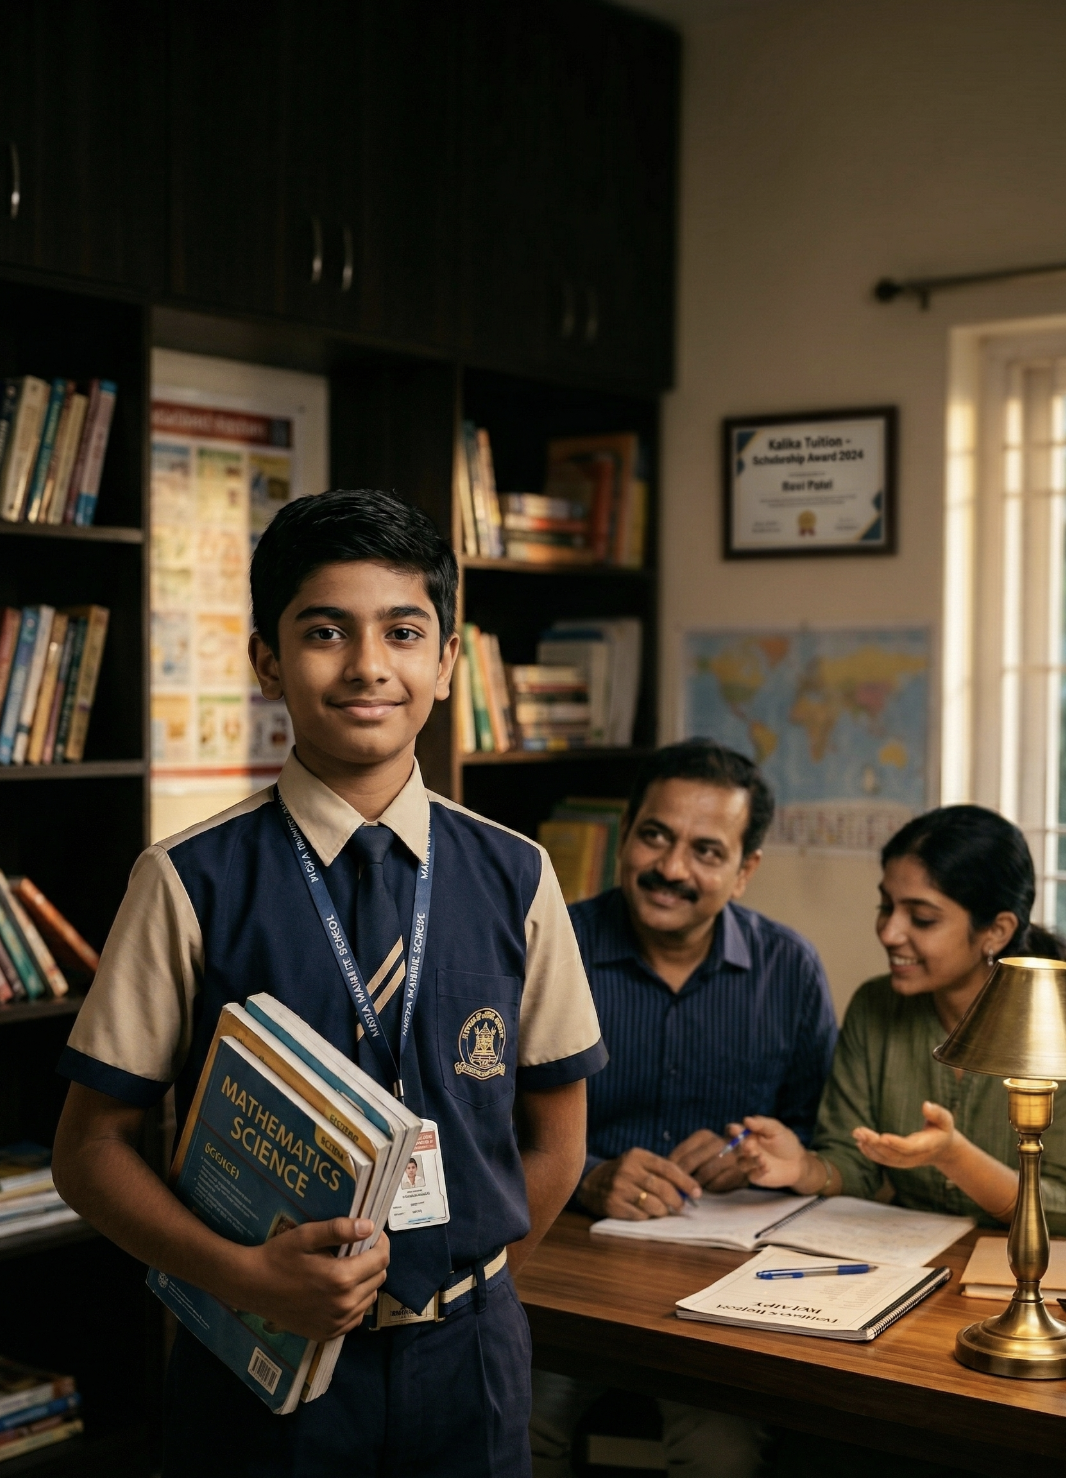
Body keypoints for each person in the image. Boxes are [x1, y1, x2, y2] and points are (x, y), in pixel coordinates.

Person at [51, 488, 608, 1478]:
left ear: (445, 659)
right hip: (256, 1357)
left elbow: (557, 1139)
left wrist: (451, 1289)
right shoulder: (188, 879)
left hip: (467, 1360)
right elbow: (91, 1146)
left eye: (402, 631)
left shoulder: (517, 874)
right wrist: (249, 1278)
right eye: (324, 631)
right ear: (267, 657)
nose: (366, 666)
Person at [529, 741, 838, 1478]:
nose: (671, 869)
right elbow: (486, 1128)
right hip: (565, 1280)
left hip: (728, 1296)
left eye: (706, 851)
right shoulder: (550, 946)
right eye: (655, 837)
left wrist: (776, 1159)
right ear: (627, 831)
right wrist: (588, 1177)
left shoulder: (790, 971)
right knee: (513, 1431)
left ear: (745, 870)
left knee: (722, 1455)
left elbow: (818, 1141)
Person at [736, 804, 1066, 1232]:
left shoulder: (1056, 1026)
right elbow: (854, 1164)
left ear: (997, 931)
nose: (889, 933)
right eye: (885, 906)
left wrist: (953, 1156)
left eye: (922, 918)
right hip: (909, 1269)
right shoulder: (875, 1007)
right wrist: (804, 1169)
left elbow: (1060, 1207)